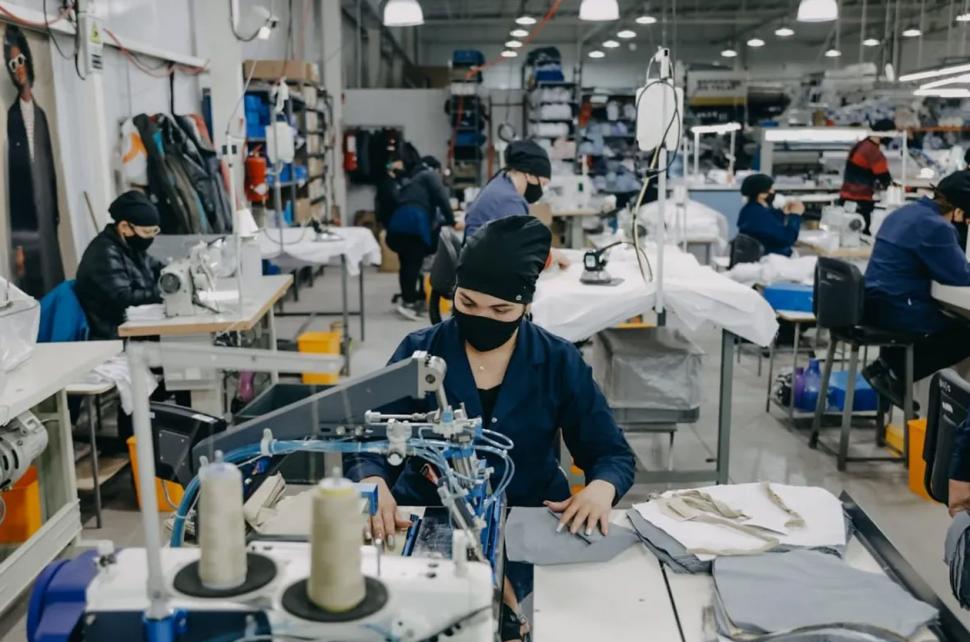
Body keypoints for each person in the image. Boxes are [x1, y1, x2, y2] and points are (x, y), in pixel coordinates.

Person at [345, 216, 635, 641]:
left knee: (528, 624)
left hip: (529, 520)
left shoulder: (557, 361)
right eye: (468, 303)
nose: (482, 317)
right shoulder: (419, 353)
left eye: (501, 310)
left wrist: (600, 489)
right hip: (429, 516)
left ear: (526, 305)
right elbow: (369, 439)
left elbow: (611, 453)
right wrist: (372, 483)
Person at [862, 170, 970, 407]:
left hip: (875, 304)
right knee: (965, 333)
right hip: (899, 310)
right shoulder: (936, 227)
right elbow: (960, 275)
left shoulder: (905, 213)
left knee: (952, 321)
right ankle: (896, 373)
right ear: (960, 211)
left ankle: (887, 367)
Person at [4, 24, 63, 299]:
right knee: (33, 280)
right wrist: (18, 246)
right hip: (27, 219)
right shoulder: (13, 116)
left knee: (53, 273)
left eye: (20, 60)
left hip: (47, 212)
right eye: (12, 64)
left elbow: (49, 170)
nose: (18, 68)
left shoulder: (40, 115)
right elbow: (15, 182)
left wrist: (55, 215)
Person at [383, 143, 458, 321]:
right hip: (413, 226)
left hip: (398, 225)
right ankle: (409, 303)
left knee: (406, 264)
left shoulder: (412, 179)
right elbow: (442, 198)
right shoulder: (429, 175)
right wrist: (452, 220)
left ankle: (408, 299)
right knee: (413, 264)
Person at [75, 191, 164, 340]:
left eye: (155, 231)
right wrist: (164, 292)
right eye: (146, 232)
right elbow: (123, 297)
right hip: (115, 336)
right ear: (124, 227)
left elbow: (157, 268)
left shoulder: (132, 248)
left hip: (136, 329)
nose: (150, 237)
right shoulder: (103, 253)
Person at [464, 140, 551, 238]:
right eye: (543, 183)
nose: (542, 189)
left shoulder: (501, 183)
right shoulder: (510, 201)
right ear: (529, 175)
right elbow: (519, 244)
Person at [839, 119, 895, 233]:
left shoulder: (861, 145)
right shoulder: (873, 152)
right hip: (861, 200)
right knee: (862, 233)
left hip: (846, 197)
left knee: (848, 232)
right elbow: (884, 178)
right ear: (884, 133)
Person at [737, 173, 805, 256]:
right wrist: (795, 215)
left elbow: (771, 225)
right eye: (771, 189)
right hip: (770, 258)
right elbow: (787, 238)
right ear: (761, 194)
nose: (773, 192)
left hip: (762, 255)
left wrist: (782, 213)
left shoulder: (749, 210)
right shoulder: (760, 214)